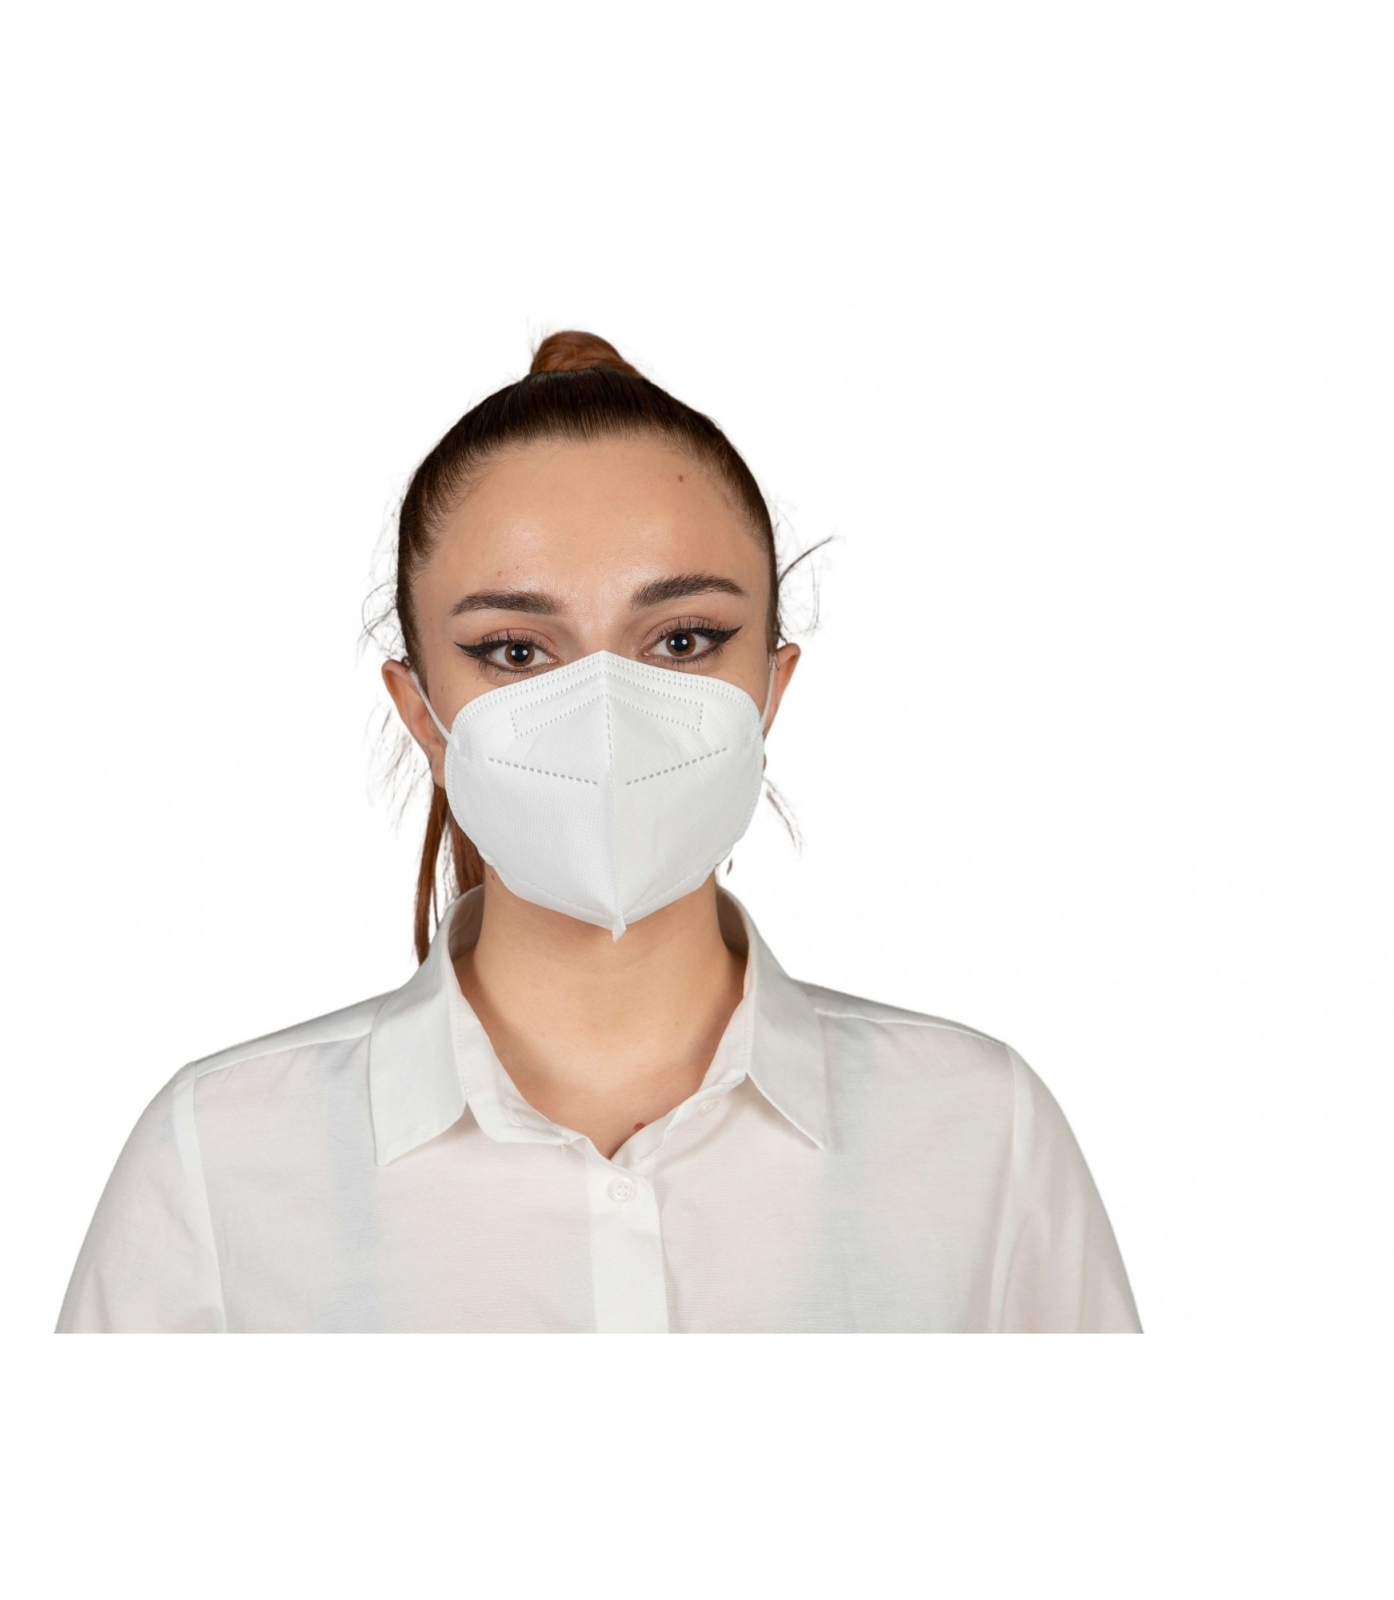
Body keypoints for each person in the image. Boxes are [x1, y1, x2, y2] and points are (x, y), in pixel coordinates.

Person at [55, 330, 1142, 1333]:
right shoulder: (220, 1165)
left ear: (770, 689)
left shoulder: (978, 1135)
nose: (606, 712)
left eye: (681, 639)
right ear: (422, 714)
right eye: (516, 651)